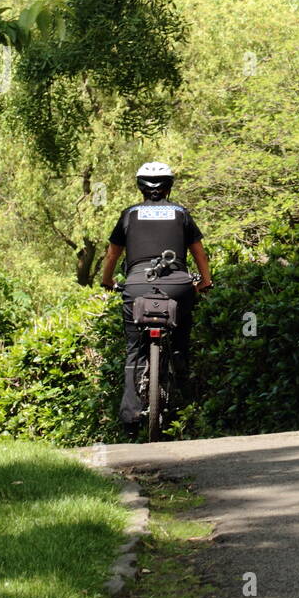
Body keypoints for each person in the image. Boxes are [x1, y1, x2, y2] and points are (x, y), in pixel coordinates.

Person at [101, 162, 212, 435]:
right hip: (178, 285)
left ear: (140, 187)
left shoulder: (129, 215)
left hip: (137, 285)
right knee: (181, 343)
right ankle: (186, 408)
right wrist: (205, 281)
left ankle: (130, 419)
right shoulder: (181, 213)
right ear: (169, 187)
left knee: (134, 348)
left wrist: (107, 281)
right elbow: (199, 253)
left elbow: (112, 255)